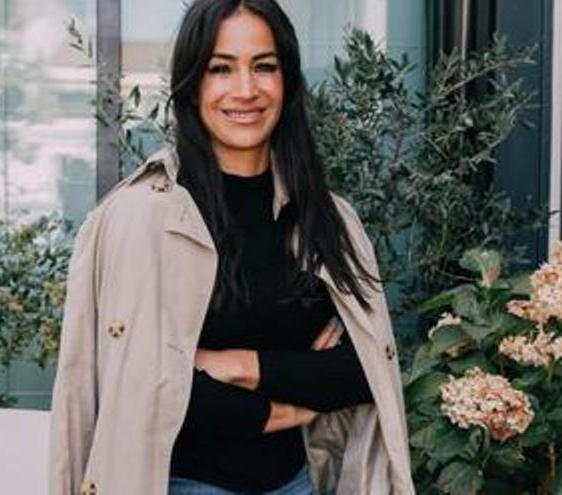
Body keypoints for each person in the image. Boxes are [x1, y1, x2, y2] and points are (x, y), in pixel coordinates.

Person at [47, 1, 413, 494]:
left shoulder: (326, 218)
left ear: (287, 82)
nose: (246, 90)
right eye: (221, 68)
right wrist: (291, 404)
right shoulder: (143, 217)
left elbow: (360, 370)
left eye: (264, 66)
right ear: (193, 83)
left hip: (296, 483)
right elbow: (143, 391)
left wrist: (234, 365)